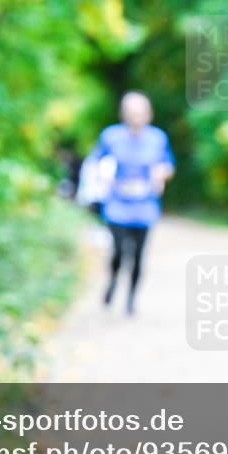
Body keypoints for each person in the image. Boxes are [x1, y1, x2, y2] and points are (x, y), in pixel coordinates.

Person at [90, 91, 175, 315]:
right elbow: (98, 160)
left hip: (145, 206)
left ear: (148, 114)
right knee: (118, 252)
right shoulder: (110, 136)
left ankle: (130, 300)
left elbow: (167, 164)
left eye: (140, 113)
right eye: (131, 113)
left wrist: (162, 173)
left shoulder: (158, 138)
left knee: (138, 256)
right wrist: (104, 172)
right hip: (117, 205)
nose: (136, 117)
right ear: (123, 114)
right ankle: (113, 282)